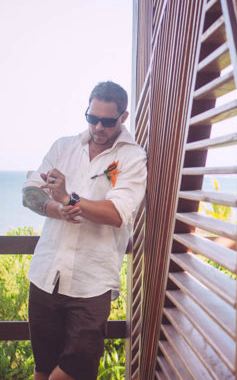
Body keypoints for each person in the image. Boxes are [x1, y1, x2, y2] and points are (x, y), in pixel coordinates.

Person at [22, 81, 147, 380]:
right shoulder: (63, 146)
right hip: (44, 275)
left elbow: (118, 213)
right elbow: (29, 192)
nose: (99, 127)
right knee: (43, 368)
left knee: (75, 371)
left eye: (107, 121)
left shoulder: (132, 158)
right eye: (92, 118)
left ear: (124, 117)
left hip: (91, 285)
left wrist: (68, 198)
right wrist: (57, 209)